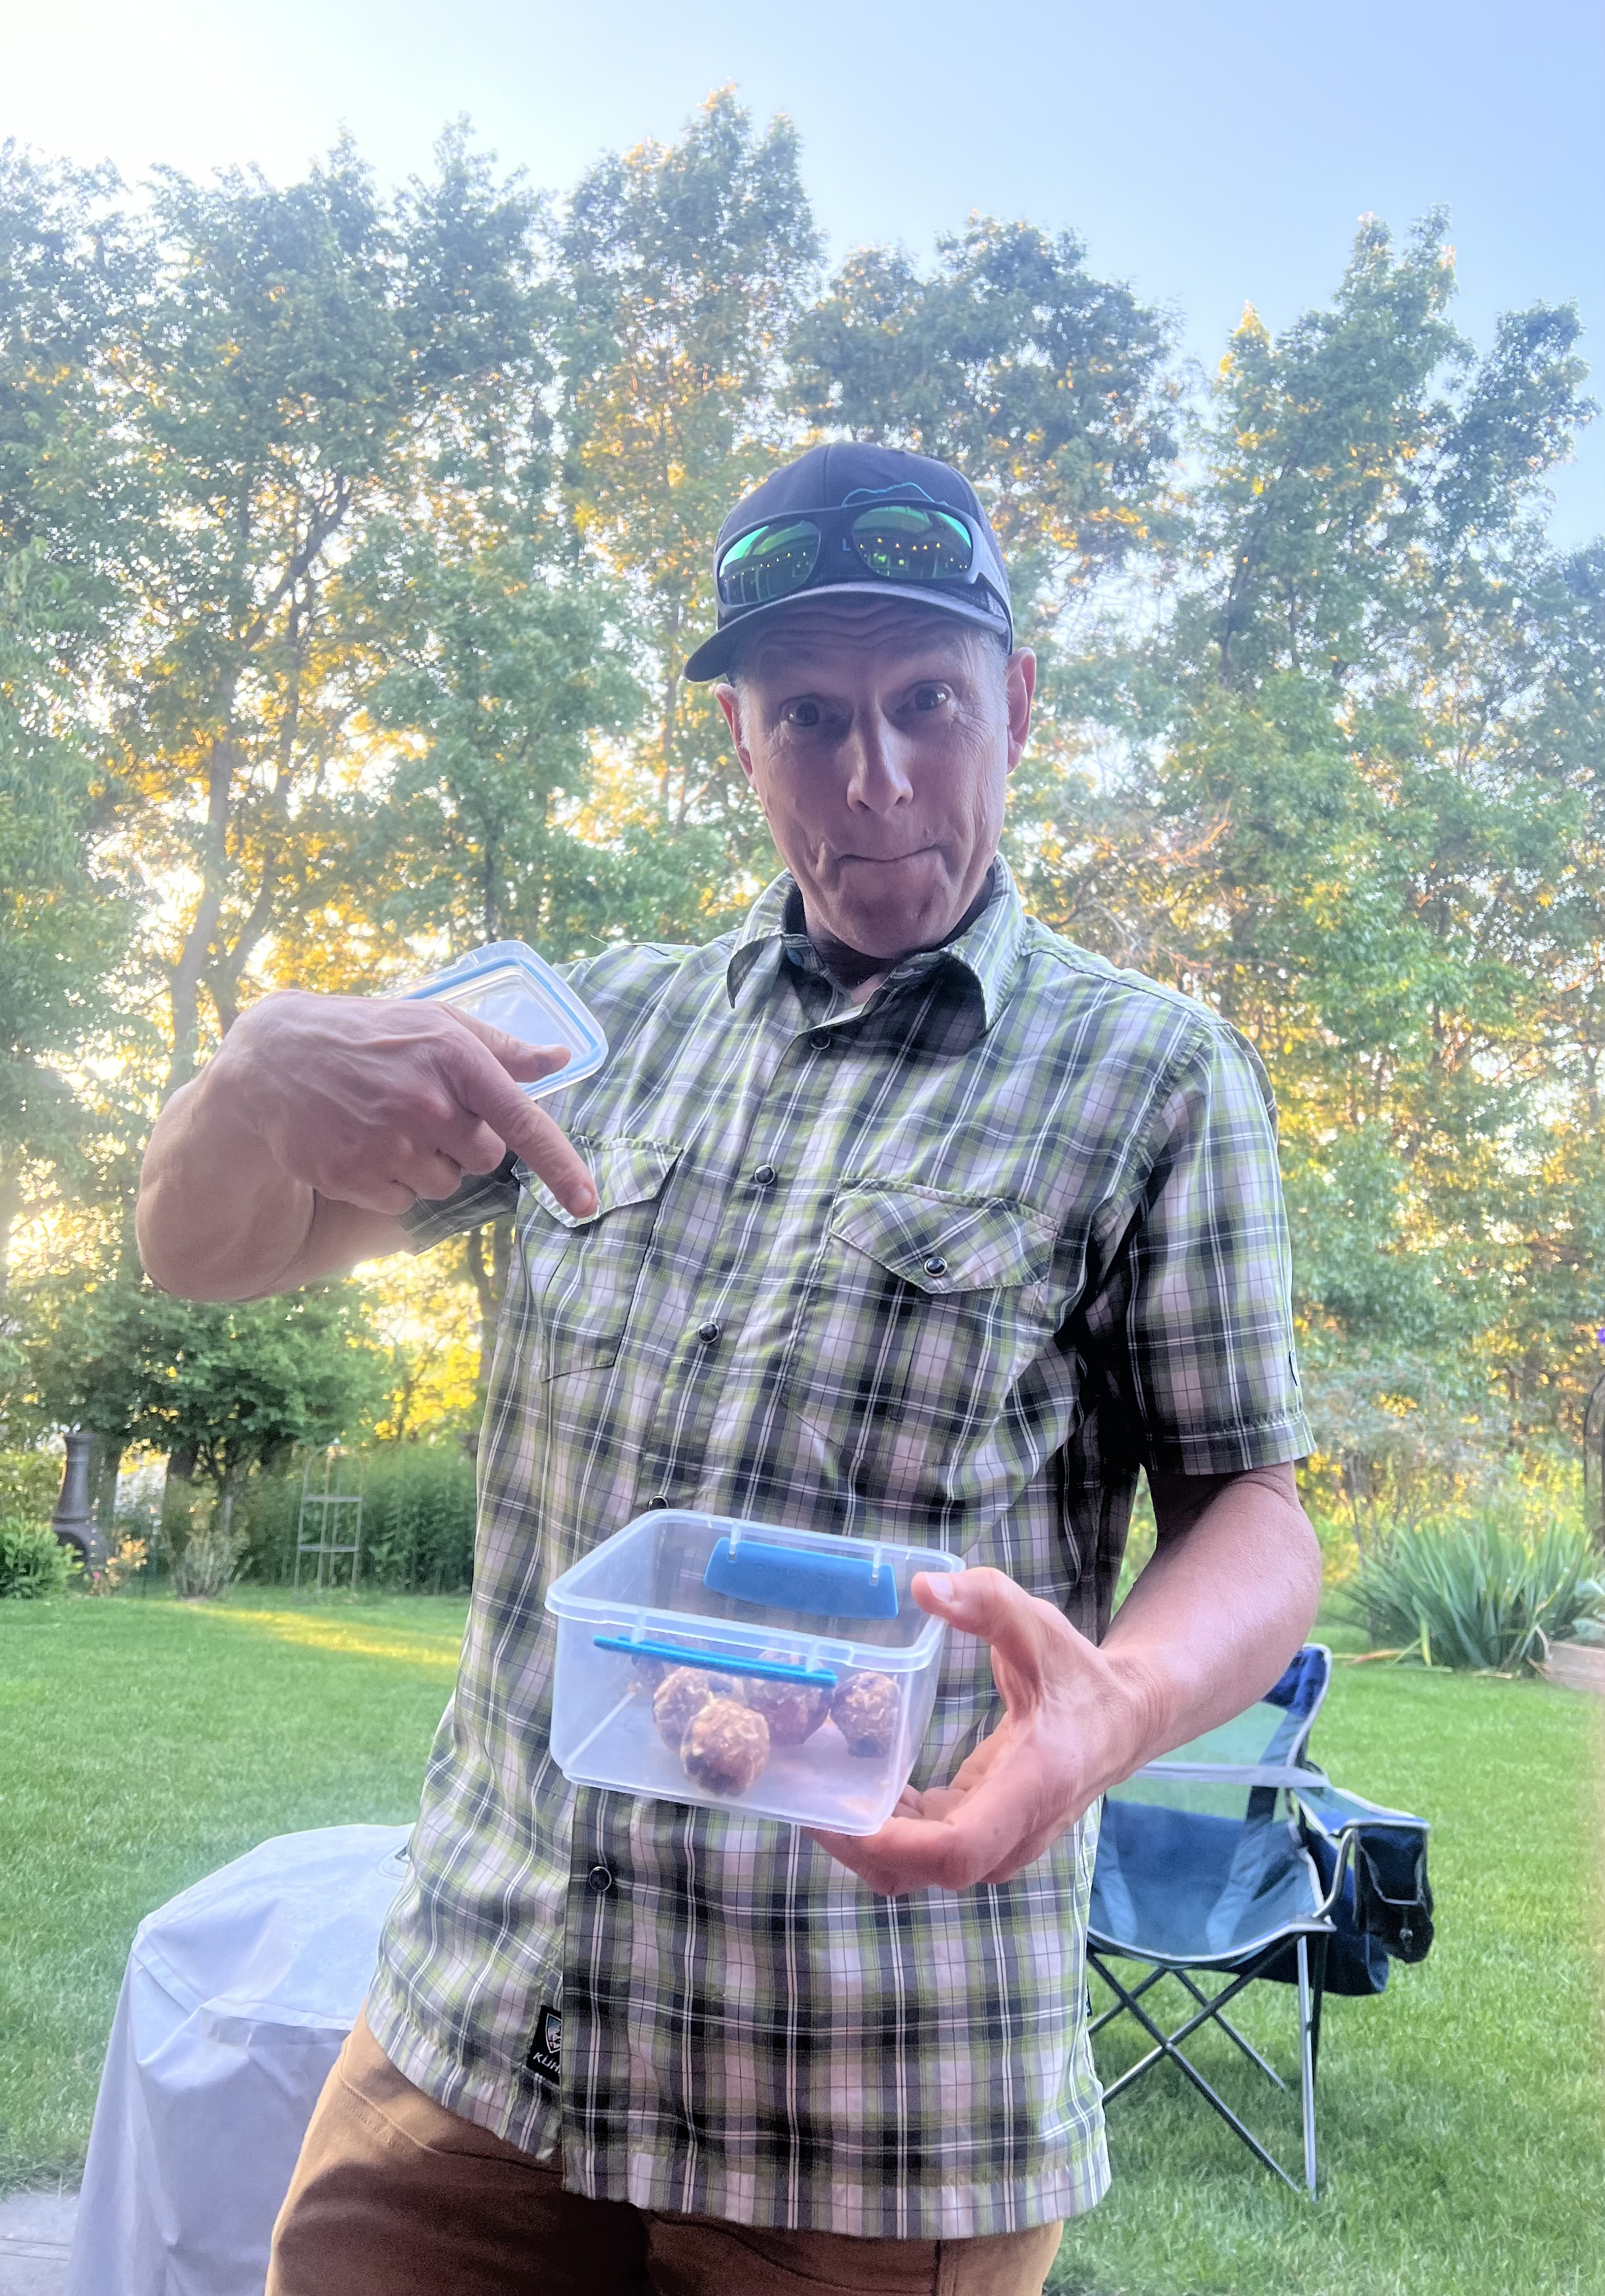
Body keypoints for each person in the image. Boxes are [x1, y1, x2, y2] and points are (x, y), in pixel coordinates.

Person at [137, 442, 1321, 2296]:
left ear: (1016, 704)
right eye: (808, 717)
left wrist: (1111, 1712)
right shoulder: (587, 1032)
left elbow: (1254, 1502)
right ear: (740, 740)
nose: (874, 778)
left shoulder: (1154, 1075)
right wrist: (247, 1073)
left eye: (927, 703)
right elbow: (203, 1252)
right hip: (473, 2035)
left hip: (867, 2110)